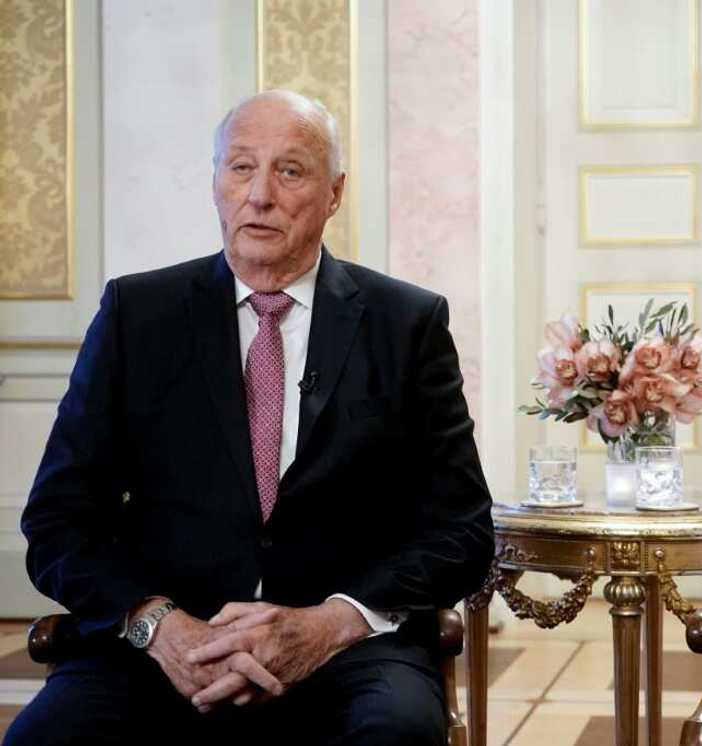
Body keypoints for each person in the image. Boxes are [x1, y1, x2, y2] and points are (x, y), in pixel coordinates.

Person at [5, 89, 494, 746]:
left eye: (289, 170)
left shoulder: (406, 323)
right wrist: (159, 625)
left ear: (334, 192)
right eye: (240, 167)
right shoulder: (136, 316)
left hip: (343, 650)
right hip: (160, 648)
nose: (259, 195)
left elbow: (461, 530)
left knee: (397, 731)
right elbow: (58, 520)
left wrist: (332, 622)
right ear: (215, 184)